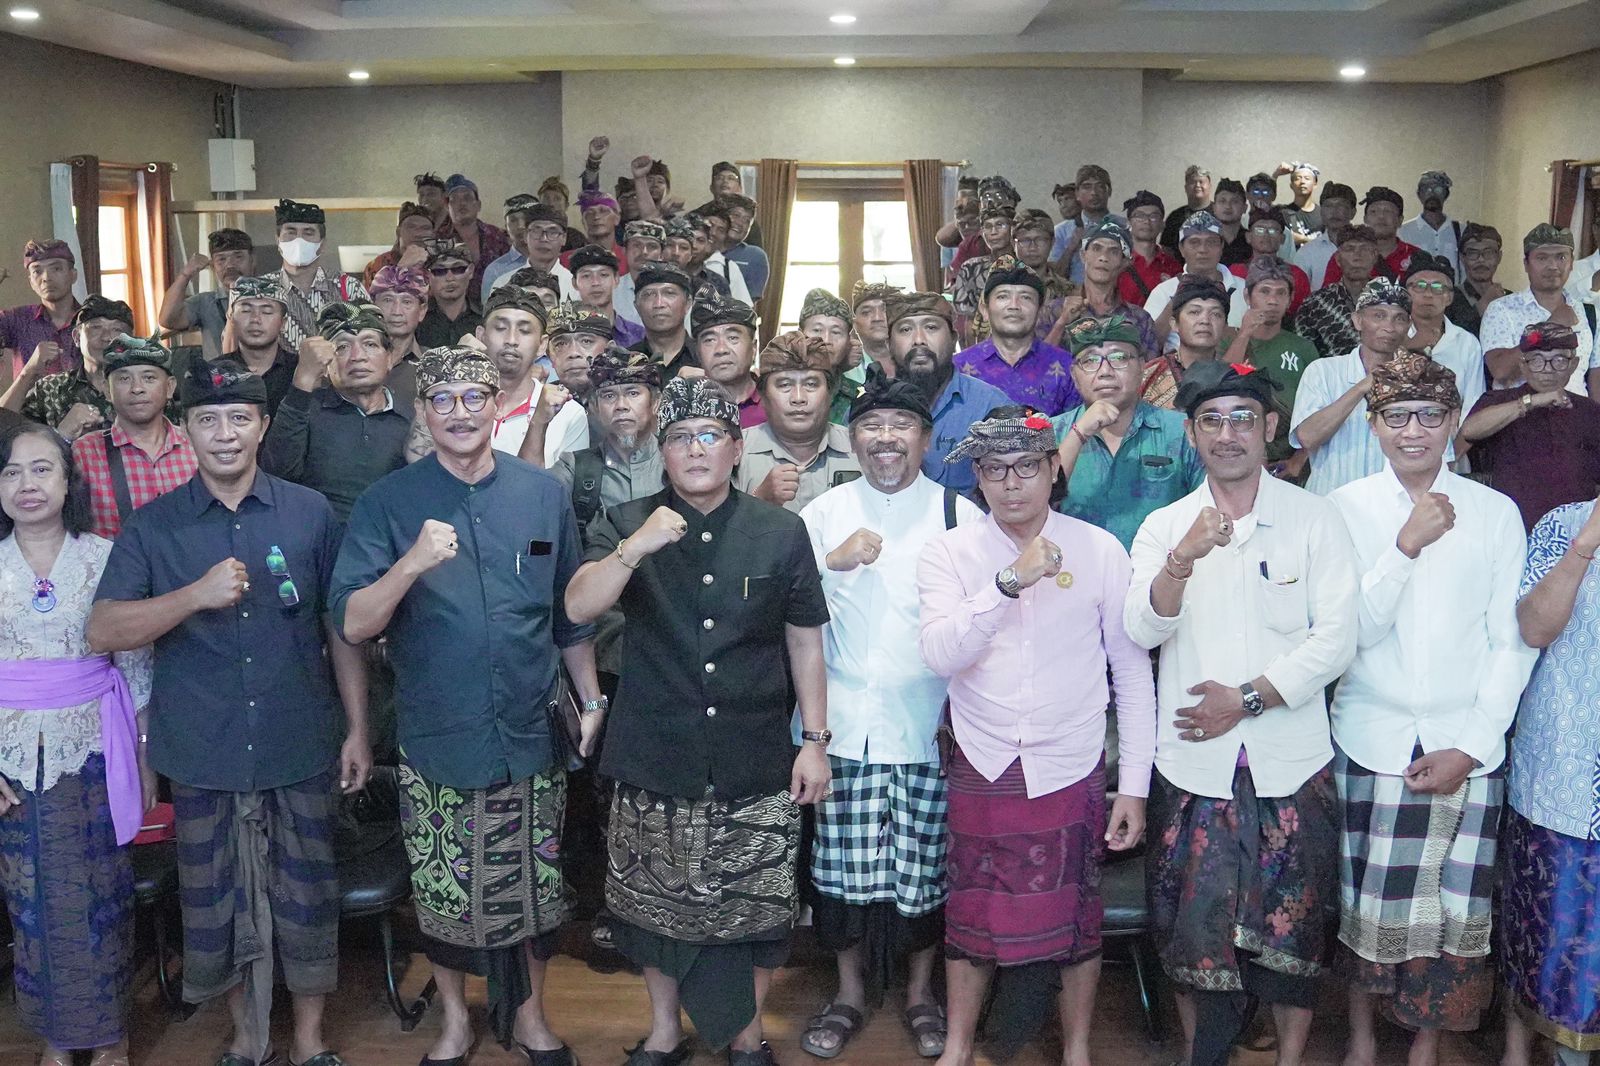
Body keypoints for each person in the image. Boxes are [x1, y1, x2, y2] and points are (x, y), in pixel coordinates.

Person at [87, 355, 370, 1066]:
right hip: (203, 748)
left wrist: (359, 725)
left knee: (305, 895)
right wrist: (192, 595)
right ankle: (246, 1037)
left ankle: (308, 1040)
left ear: (262, 425)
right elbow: (104, 629)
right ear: (186, 430)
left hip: (298, 735)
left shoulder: (308, 512)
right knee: (218, 903)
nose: (224, 433)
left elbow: (340, 627)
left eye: (239, 418)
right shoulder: (154, 526)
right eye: (207, 419)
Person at [331, 343, 601, 1066]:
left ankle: (531, 1019)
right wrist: (412, 562)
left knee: (538, 890)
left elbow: (569, 612)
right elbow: (354, 622)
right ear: (424, 411)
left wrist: (591, 697)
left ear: (495, 406)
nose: (459, 413)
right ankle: (455, 1021)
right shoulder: (388, 503)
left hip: (530, 730)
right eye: (443, 400)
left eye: (473, 398)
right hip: (438, 734)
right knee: (445, 894)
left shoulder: (541, 493)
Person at [564, 374, 832, 1066]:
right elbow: (578, 609)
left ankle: (747, 1035)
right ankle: (662, 1031)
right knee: (649, 909)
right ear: (662, 450)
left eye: (709, 435)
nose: (694, 449)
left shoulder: (781, 530)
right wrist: (636, 548)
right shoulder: (627, 521)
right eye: (679, 437)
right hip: (654, 745)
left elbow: (805, 640)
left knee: (759, 907)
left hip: (755, 747)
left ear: (737, 448)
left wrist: (815, 743)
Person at [1124, 360, 1358, 1066]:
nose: (1229, 435)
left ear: (1270, 429)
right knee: (1193, 937)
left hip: (1292, 762)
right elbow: (1141, 631)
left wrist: (1246, 699)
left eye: (1243, 420)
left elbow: (1337, 639)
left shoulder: (1316, 519)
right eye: (1213, 421)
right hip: (1196, 770)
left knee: (1293, 938)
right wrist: (1181, 562)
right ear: (1192, 433)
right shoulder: (1165, 526)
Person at [919, 404, 1156, 1066]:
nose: (1011, 483)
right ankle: (959, 1046)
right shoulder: (951, 551)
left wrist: (1132, 787)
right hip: (984, 759)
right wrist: (1006, 584)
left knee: (1077, 921)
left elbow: (1132, 677)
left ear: (1055, 469)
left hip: (1072, 762)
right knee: (970, 913)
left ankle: (1077, 1048)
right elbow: (940, 655)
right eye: (993, 470)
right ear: (979, 478)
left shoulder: (1099, 548)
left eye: (1026, 466)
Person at [1328, 352, 1536, 1066]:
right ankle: (1359, 1040)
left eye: (1428, 415)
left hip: (1464, 742)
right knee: (1365, 910)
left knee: (1452, 919)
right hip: (1370, 735)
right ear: (1374, 423)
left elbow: (1513, 645)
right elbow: (1345, 637)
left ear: (1453, 422)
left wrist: (1474, 747)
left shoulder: (1495, 510)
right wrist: (1404, 549)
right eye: (1396, 416)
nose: (1413, 430)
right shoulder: (1346, 509)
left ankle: (1425, 1048)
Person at [795, 373, 980, 1061]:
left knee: (924, 874)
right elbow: (785, 614)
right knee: (843, 876)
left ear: (925, 440)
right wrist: (830, 564)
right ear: (854, 437)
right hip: (840, 725)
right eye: (873, 426)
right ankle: (846, 994)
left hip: (929, 728)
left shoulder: (960, 515)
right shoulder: (823, 513)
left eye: (902, 425)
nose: (886, 438)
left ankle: (920, 994)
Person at [0, 422, 152, 1066]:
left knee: (101, 894)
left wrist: (143, 759)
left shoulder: (104, 556)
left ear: (68, 481)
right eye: (11, 472)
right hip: (10, 757)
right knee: (30, 899)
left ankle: (111, 1033)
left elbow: (137, 661)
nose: (27, 484)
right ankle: (60, 1039)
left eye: (42, 469)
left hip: (94, 743)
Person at [1499, 493, 1600, 1065]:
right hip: (1569, 778)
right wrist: (1585, 545)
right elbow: (1533, 628)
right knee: (1559, 950)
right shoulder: (1562, 523)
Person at [1054, 315, 1204, 550]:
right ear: (1074, 375)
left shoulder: (1183, 432)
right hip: (1071, 577)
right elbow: (1033, 506)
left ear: (1142, 368)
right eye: (1091, 361)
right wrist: (1078, 434)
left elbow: (1206, 511)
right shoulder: (1052, 432)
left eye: (1119, 358)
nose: (1105, 371)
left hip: (1160, 577)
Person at [260, 302, 410, 526]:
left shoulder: (411, 417)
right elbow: (276, 475)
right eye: (342, 347)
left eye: (370, 344)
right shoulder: (305, 409)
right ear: (327, 365)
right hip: (323, 545)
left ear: (389, 358)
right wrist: (303, 380)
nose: (357, 356)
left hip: (394, 546)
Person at [1460, 323, 1600, 532]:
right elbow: (1470, 430)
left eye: (1559, 360)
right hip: (1514, 529)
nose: (1548, 369)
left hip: (1576, 535)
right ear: (1523, 365)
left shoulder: (1589, 411)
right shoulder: (1499, 400)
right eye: (1537, 360)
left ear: (1574, 364)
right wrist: (1531, 402)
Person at [1291, 278, 1415, 495]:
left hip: (1392, 509)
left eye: (1399, 318)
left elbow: (1441, 457)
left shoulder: (1418, 377)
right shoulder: (1323, 371)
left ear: (1408, 326)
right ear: (1357, 321)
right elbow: (1307, 437)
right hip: (1331, 504)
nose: (1389, 327)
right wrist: (1363, 386)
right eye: (1378, 316)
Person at [885, 291, 1011, 499]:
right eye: (906, 329)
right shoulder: (870, 411)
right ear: (889, 344)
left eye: (931, 327)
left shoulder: (991, 406)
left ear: (954, 339)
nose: (919, 340)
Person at [69, 334, 196, 540]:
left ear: (170, 387)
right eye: (124, 379)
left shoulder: (196, 446)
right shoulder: (85, 452)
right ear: (106, 389)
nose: (137, 388)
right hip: (113, 568)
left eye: (149, 378)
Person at [734, 331, 859, 512]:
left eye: (811, 384)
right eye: (784, 385)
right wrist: (759, 499)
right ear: (763, 396)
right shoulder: (737, 453)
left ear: (830, 394)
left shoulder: (858, 449)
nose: (798, 398)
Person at [1222, 257, 1320, 477]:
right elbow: (1220, 384)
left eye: (1280, 293)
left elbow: (1319, 410)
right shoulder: (1227, 340)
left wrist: (1299, 459)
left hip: (1288, 462)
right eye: (1264, 292)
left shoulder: (1303, 348)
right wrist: (1245, 333)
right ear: (1248, 296)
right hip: (1235, 454)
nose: (1273, 301)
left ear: (1290, 299)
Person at [1481, 224, 1598, 396]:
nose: (1553, 266)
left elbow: (1596, 381)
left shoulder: (1588, 313)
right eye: (1542, 258)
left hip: (1574, 417)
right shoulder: (1501, 309)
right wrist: (1549, 327)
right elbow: (1501, 372)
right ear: (1526, 264)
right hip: (1519, 417)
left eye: (1561, 257)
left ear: (1572, 263)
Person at [954, 257, 1079, 416]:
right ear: (985, 309)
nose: (1014, 305)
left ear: (1040, 311)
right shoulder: (957, 369)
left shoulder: (1068, 367)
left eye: (1026, 297)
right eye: (1003, 296)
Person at [3, 295, 140, 436]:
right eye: (96, 327)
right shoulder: (51, 389)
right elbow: (4, 430)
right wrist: (61, 434)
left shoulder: (145, 387)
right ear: (76, 337)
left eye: (117, 330)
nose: (107, 337)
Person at [265, 199, 371, 355]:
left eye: (308, 233)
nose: (298, 240)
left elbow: (369, 339)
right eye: (291, 232)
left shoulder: (348, 287)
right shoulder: (262, 289)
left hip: (336, 377)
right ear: (277, 240)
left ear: (322, 243)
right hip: (279, 378)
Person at [1143, 211, 1246, 348]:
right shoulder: (1164, 291)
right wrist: (1175, 301)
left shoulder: (1244, 288)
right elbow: (1148, 345)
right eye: (1194, 242)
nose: (1203, 249)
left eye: (1211, 242)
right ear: (1181, 249)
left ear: (1221, 247)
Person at [1403, 251, 1486, 413]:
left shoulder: (1466, 342)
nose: (1428, 294)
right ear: (1406, 294)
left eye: (1438, 288)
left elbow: (1473, 402)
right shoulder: (1392, 335)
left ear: (1449, 298)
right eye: (1419, 286)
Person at [161, 228, 257, 359]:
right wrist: (186, 274)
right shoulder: (205, 302)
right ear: (212, 266)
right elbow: (167, 320)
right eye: (221, 260)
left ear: (252, 260)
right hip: (217, 376)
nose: (230, 265)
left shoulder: (272, 296)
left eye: (238, 257)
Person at [1296, 225, 1383, 360]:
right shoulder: (1315, 304)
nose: (1357, 257)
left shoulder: (1392, 300)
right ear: (1337, 258)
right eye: (1349, 249)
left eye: (1365, 249)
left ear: (1375, 256)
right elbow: (1303, 354)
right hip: (1330, 378)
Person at [2, 239, 82, 384]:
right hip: (28, 406)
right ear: (31, 282)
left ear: (73, 275)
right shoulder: (16, 320)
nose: (46, 278)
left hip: (86, 406)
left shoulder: (93, 321)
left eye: (56, 269)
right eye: (37, 271)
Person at [1140, 278, 1228, 411]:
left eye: (1215, 314)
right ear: (1174, 324)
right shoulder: (1146, 376)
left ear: (1225, 328)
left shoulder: (1233, 378)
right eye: (1194, 312)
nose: (1205, 320)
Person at [691, 289, 765, 428]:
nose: (721, 349)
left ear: (754, 348)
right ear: (698, 352)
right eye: (709, 340)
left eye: (733, 338)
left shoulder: (775, 405)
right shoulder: (684, 409)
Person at [223, 276, 296, 417]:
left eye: (267, 312)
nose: (255, 319)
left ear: (283, 323)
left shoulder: (300, 371)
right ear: (232, 318)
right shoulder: (215, 372)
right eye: (246, 311)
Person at [1325, 187, 1418, 287]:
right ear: (1365, 219)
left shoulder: (1418, 257)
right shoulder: (1345, 256)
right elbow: (1328, 297)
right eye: (1374, 212)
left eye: (1388, 212)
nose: (1381, 216)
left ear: (1400, 220)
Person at [435, 174, 511, 297]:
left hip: (495, 306)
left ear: (478, 205)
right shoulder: (437, 240)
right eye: (455, 199)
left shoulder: (498, 237)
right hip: (452, 310)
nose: (462, 203)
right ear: (447, 207)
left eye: (467, 198)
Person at [485, 204, 577, 304]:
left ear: (564, 238)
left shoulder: (576, 286)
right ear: (525, 236)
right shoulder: (503, 283)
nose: (544, 238)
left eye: (552, 232)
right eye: (536, 231)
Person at [949, 204, 1014, 344]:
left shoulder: (1025, 267)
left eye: (1000, 225)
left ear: (1012, 230)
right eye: (987, 227)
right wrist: (972, 356)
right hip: (984, 344)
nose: (993, 232)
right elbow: (968, 321)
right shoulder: (971, 268)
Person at [1227, 209, 1310, 317]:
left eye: (1273, 231)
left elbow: (1304, 313)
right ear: (1248, 237)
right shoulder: (1235, 271)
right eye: (1260, 230)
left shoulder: (1297, 275)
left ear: (1282, 238)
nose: (1266, 236)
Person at [369, 264, 430, 411]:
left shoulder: (432, 363)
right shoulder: (356, 359)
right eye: (388, 300)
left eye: (407, 302)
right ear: (373, 307)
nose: (397, 311)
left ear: (422, 311)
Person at [1050, 164, 1120, 284]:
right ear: (1077, 194)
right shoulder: (1061, 231)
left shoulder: (1124, 228)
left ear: (1109, 192)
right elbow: (1053, 277)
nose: (1094, 193)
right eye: (1087, 187)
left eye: (1100, 187)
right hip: (1073, 298)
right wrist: (1071, 248)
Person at [797, 288, 859, 423]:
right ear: (800, 335)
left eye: (836, 332)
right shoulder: (780, 390)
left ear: (849, 341)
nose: (826, 340)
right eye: (817, 330)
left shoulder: (861, 396)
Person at [628, 259, 697, 378]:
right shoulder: (625, 362)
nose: (659, 303)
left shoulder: (705, 357)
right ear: (637, 306)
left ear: (688, 303)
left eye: (669, 293)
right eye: (649, 295)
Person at [570, 244, 645, 347]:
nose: (595, 282)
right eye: (586, 276)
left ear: (616, 279)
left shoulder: (638, 335)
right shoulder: (565, 334)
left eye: (604, 275)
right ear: (574, 283)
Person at [415, 240, 483, 352]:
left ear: (470, 271)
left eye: (458, 269)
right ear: (427, 276)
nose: (450, 278)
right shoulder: (417, 318)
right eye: (439, 271)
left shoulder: (485, 317)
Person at [1119, 191, 1182, 309]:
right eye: (1139, 216)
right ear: (1128, 224)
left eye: (1153, 216)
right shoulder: (1118, 262)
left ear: (1162, 225)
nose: (1146, 221)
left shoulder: (1173, 266)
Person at [1397, 171, 1462, 279]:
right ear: (1419, 195)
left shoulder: (1461, 231)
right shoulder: (1403, 232)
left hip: (1452, 293)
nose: (1432, 194)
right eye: (1426, 189)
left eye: (1438, 190)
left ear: (1446, 194)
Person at [1296, 183, 1359, 291]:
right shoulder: (1307, 252)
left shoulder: (1365, 248)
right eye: (1328, 206)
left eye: (1341, 205)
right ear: (1321, 212)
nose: (1334, 211)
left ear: (1353, 212)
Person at [358, 203, 434, 290]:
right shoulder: (379, 264)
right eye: (411, 227)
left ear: (434, 234)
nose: (418, 234)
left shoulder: (441, 264)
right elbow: (373, 300)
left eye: (425, 228)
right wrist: (402, 267)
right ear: (398, 232)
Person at [1451, 222, 1507, 335]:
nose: (1481, 260)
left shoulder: (1510, 298)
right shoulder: (1449, 298)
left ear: (1499, 257)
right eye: (1472, 253)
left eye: (1488, 253)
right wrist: (1483, 304)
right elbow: (1451, 336)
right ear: (1462, 258)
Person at [478, 193, 539, 296]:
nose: (520, 226)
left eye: (526, 217)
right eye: (513, 220)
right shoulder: (494, 271)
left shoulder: (555, 264)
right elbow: (489, 311)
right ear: (506, 226)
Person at [614, 220, 669, 327]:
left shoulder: (673, 291)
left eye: (651, 246)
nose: (644, 252)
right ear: (624, 251)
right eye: (636, 245)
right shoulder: (612, 291)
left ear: (662, 254)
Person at [721, 194, 769, 299]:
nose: (740, 223)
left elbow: (748, 303)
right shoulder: (703, 249)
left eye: (747, 221)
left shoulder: (754, 256)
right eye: (736, 215)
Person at [1159, 165, 1212, 256]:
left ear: (1210, 186)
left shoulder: (1221, 214)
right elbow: (1166, 249)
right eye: (1193, 182)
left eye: (1201, 182)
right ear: (1186, 188)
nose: (1197, 185)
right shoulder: (1175, 217)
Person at [852, 281, 899, 379]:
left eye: (885, 310)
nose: (877, 318)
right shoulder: (846, 371)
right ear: (854, 324)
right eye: (866, 312)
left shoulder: (917, 361)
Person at [1275, 161, 1322, 247]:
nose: (1302, 182)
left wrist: (1303, 239)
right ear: (1291, 185)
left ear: (1315, 184)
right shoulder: (1282, 212)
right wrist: (1275, 175)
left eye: (1307, 178)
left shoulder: (1324, 213)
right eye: (1297, 178)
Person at [1209, 179, 1252, 267]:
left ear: (1245, 208)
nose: (1228, 206)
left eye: (1235, 201)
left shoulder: (1252, 240)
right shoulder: (1204, 239)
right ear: (1213, 207)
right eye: (1222, 201)